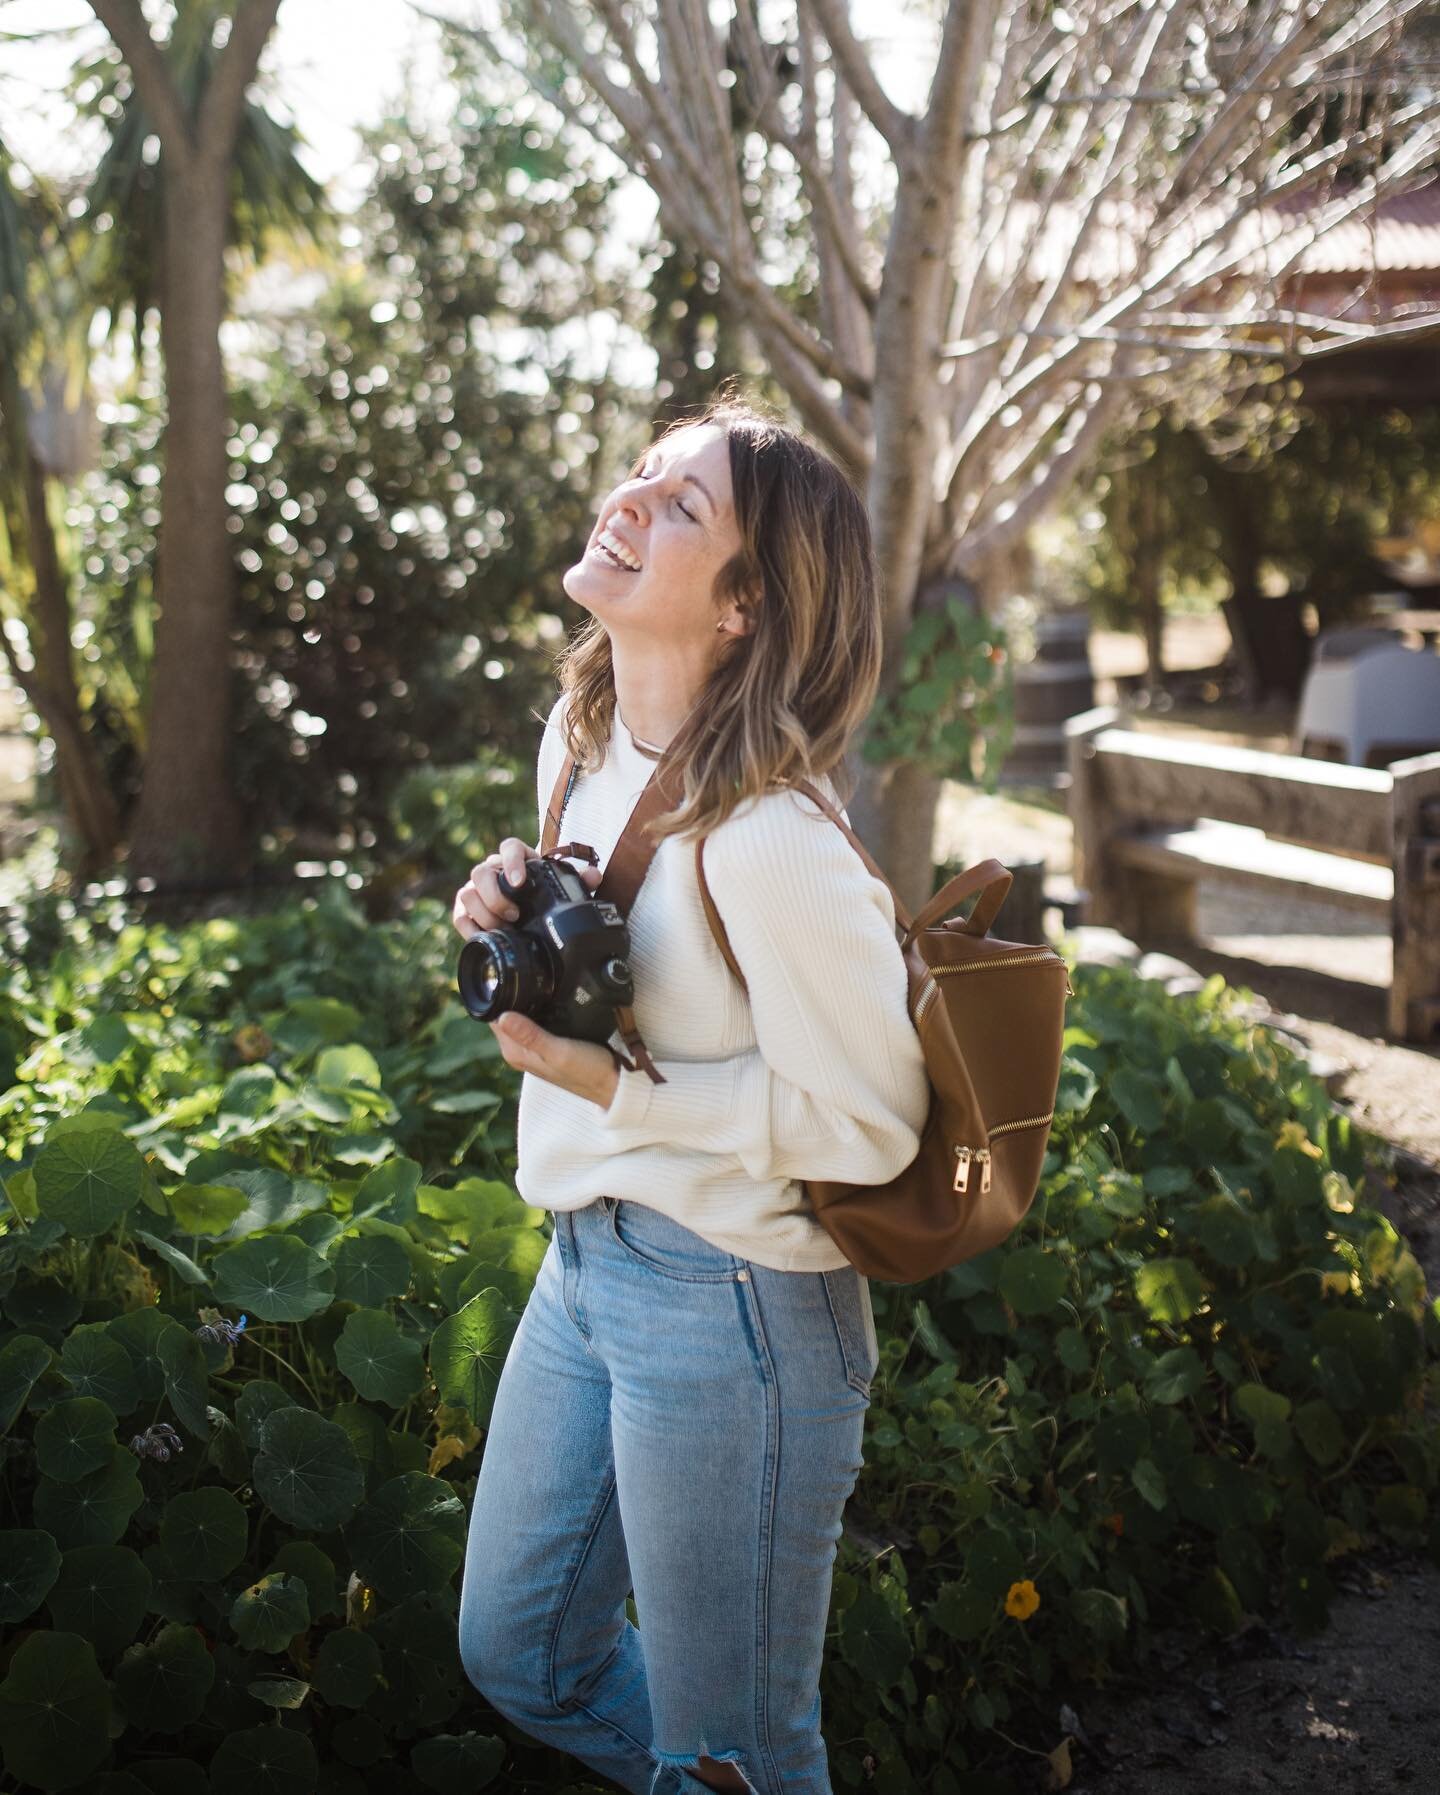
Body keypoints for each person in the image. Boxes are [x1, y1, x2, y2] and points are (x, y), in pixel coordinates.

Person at [451, 391, 931, 1795]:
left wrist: (624, 1089)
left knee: (725, 1755)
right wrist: (507, 916)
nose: (631, 500)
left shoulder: (772, 837)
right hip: (587, 1264)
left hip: (738, 1314)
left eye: (682, 507)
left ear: (744, 608)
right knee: (523, 1654)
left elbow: (872, 1124)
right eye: (643, 476)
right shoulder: (579, 746)